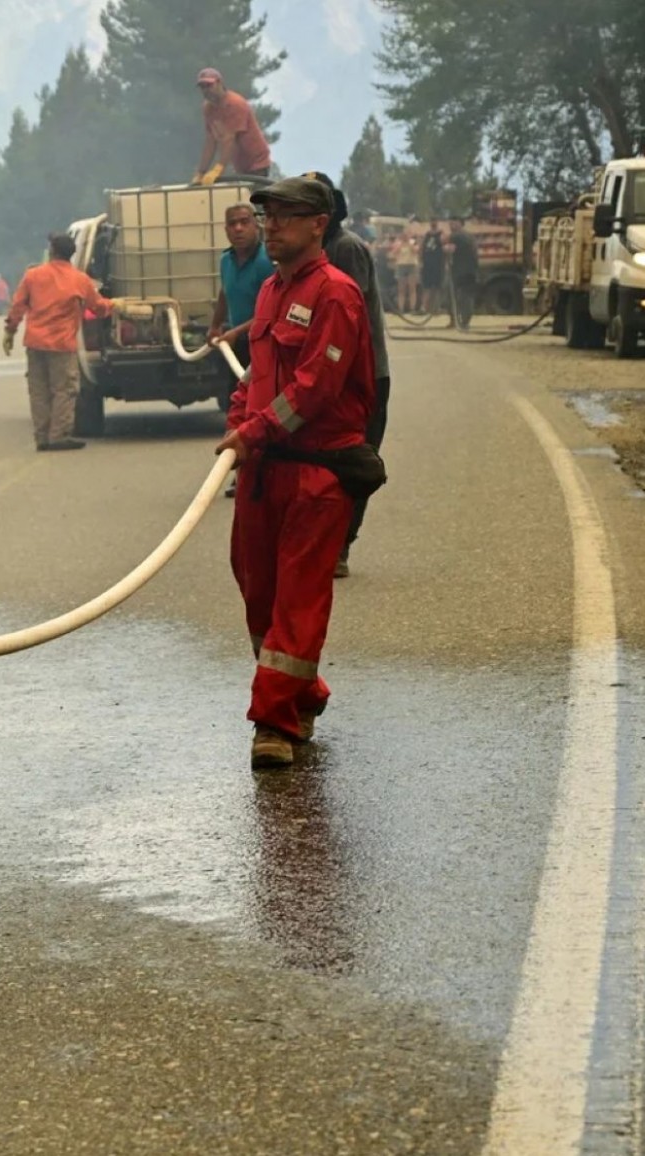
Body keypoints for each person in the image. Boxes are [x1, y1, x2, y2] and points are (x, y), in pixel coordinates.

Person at [214, 177, 376, 769]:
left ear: (317, 225)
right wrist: (239, 419)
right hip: (264, 473)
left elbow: (312, 391)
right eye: (267, 216)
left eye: (286, 216)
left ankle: (274, 722)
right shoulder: (268, 293)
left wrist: (252, 432)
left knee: (298, 599)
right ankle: (302, 690)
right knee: (256, 586)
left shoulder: (337, 295)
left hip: (317, 475)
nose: (271, 225)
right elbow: (258, 376)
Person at [301, 172, 392, 579]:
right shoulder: (310, 255)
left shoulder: (346, 250)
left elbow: (342, 319)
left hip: (360, 377)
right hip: (325, 375)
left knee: (354, 462)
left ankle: (341, 545)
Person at [4, 232, 112, 451]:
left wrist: (10, 332)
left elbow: (18, 306)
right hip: (62, 345)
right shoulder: (79, 280)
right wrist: (115, 305)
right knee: (63, 389)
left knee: (39, 390)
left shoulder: (33, 276)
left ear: (52, 252)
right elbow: (98, 307)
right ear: (71, 254)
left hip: (35, 343)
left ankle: (42, 437)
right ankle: (59, 435)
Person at [208, 201, 272, 366]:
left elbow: (272, 311)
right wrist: (215, 325)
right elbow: (225, 291)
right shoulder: (225, 260)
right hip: (237, 343)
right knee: (237, 389)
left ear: (256, 226)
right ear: (226, 230)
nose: (238, 228)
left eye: (244, 222)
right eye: (232, 224)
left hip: (265, 343)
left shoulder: (267, 261)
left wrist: (236, 332)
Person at [193, 67, 274, 183]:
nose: (206, 90)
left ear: (219, 83)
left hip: (256, 162)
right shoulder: (208, 108)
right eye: (202, 87)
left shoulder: (235, 104)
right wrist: (201, 172)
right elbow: (210, 141)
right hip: (240, 164)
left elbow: (229, 140)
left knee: (253, 197)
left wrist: (218, 169)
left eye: (209, 85)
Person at [448, 219, 479, 332]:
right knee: (468, 296)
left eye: (454, 223)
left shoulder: (456, 236)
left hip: (460, 272)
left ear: (460, 224)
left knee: (458, 297)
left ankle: (458, 321)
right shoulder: (470, 237)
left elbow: (448, 247)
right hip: (471, 270)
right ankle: (464, 322)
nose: (451, 225)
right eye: (451, 223)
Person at [391, 222, 420, 314]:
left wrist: (409, 244)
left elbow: (416, 251)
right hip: (401, 265)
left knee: (412, 288)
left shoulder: (413, 242)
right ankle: (401, 309)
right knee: (401, 288)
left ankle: (412, 309)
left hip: (411, 265)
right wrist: (400, 245)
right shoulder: (397, 243)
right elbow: (394, 252)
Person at [418, 224, 446, 319]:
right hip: (427, 265)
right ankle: (424, 308)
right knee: (427, 287)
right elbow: (421, 249)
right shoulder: (426, 236)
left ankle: (436, 308)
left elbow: (444, 247)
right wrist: (420, 261)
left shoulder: (441, 235)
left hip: (438, 265)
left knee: (437, 287)